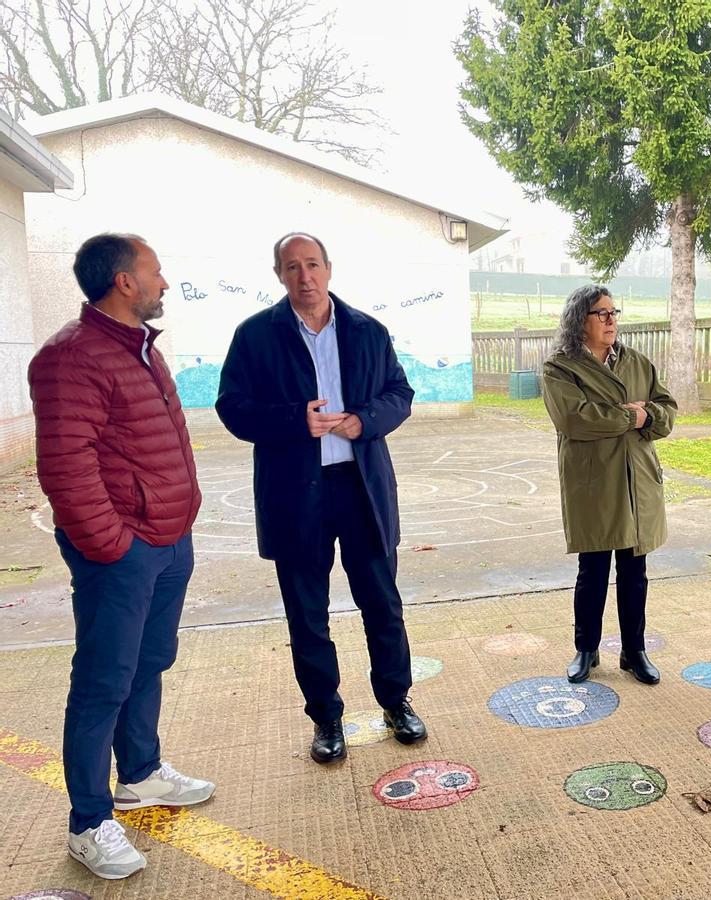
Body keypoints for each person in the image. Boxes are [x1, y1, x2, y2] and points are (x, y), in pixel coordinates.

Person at [28, 233, 214, 880]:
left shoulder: (140, 348)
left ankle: (139, 773)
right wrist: (111, 543)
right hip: (123, 550)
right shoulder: (70, 357)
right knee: (103, 680)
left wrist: (176, 521)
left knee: (149, 661)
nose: (165, 283)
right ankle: (88, 821)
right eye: (155, 272)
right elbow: (66, 466)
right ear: (124, 281)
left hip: (168, 538)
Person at [215, 232, 425, 764]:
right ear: (279, 275)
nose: (304, 276)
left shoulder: (368, 331)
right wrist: (294, 421)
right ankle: (326, 717)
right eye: (292, 267)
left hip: (362, 489)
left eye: (312, 264)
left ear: (329, 268)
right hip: (295, 493)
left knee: (382, 603)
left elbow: (399, 394)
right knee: (307, 614)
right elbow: (232, 407)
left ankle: (395, 701)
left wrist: (364, 420)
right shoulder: (255, 336)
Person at [542, 284, 677, 685]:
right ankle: (586, 649)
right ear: (579, 320)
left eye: (614, 312)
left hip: (637, 480)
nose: (611, 320)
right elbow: (575, 419)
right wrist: (632, 417)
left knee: (635, 572)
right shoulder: (561, 368)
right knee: (593, 569)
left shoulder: (637, 362)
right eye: (601, 313)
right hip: (594, 483)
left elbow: (667, 411)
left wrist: (649, 415)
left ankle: (634, 652)